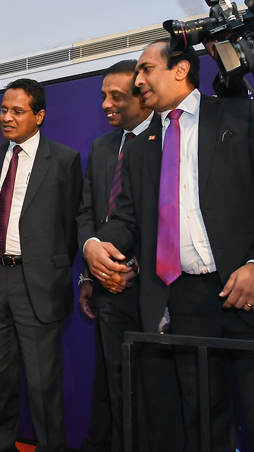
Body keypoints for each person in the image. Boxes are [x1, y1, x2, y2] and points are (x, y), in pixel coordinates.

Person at [84, 40, 254, 452]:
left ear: (181, 70)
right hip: (184, 304)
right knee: (203, 426)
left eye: (147, 69)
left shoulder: (242, 117)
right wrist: (95, 243)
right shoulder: (138, 148)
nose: (138, 80)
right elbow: (127, 220)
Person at [77, 60, 182, 452]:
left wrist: (131, 266)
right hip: (107, 287)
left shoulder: (167, 139)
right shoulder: (102, 147)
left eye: (116, 96)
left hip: (156, 288)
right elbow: (88, 213)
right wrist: (92, 268)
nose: (106, 104)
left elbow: (165, 217)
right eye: (104, 96)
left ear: (143, 96)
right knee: (115, 387)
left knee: (156, 392)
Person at [0, 78, 80, 452]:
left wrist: (44, 268)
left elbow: (71, 230)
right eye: (3, 109)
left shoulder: (64, 160)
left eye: (17, 111)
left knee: (42, 386)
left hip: (36, 284)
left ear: (39, 116)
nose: (7, 117)